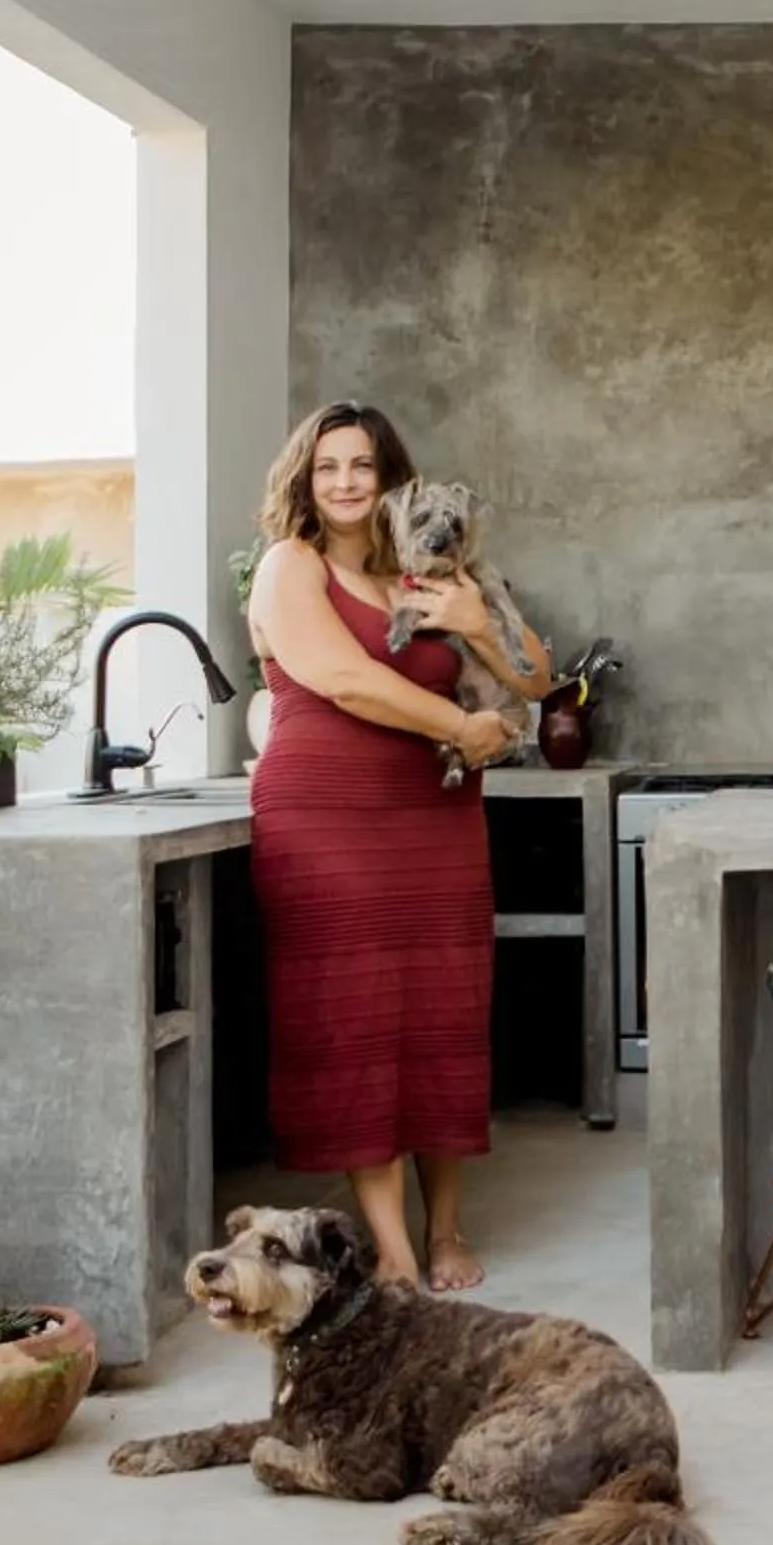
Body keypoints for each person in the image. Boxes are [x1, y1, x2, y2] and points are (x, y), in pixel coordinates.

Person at [244, 402, 552, 1291]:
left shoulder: (434, 570)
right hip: (326, 821)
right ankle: (394, 1247)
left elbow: (539, 676)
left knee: (444, 1019)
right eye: (327, 466)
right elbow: (342, 678)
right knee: (358, 1021)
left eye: (363, 466)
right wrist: (464, 723)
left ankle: (448, 1228)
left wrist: (478, 626)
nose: (344, 482)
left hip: (436, 821)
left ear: (392, 482)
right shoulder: (288, 566)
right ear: (304, 480)